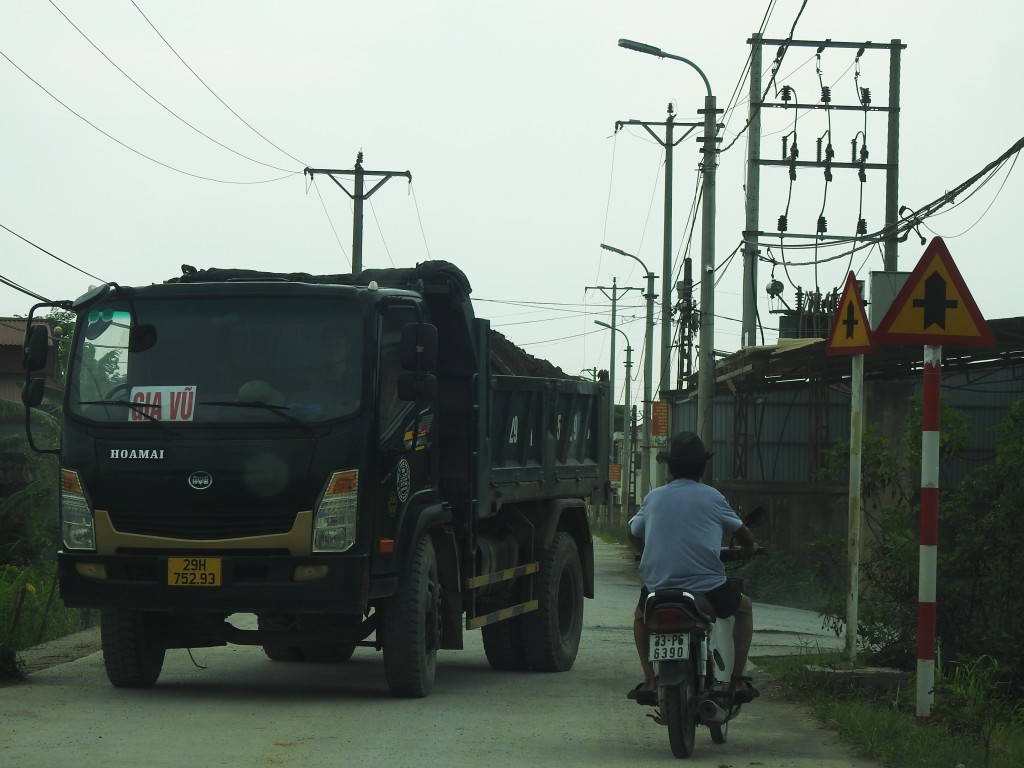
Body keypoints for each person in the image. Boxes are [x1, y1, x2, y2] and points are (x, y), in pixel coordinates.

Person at [626, 431, 760, 706]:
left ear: (671, 467)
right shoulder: (712, 497)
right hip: (707, 588)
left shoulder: (654, 497)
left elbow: (633, 531)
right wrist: (750, 549)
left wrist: (645, 549)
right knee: (744, 608)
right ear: (702, 466)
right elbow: (744, 534)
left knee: (641, 618)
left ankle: (650, 680)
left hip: (658, 587)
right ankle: (736, 680)